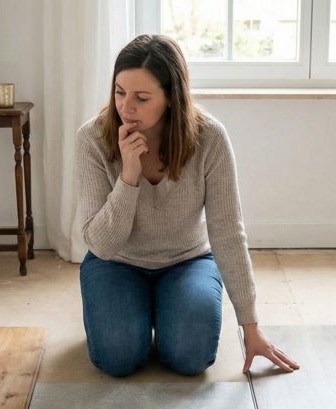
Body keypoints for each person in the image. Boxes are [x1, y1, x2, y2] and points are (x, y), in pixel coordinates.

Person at [75, 34, 299, 377]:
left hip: (187, 261)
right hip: (115, 262)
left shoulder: (210, 138)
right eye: (120, 92)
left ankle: (161, 309)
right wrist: (129, 175)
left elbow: (228, 231)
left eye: (141, 98)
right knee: (117, 358)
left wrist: (250, 325)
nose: (126, 107)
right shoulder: (91, 138)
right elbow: (102, 245)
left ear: (171, 97)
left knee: (191, 358)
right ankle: (134, 313)